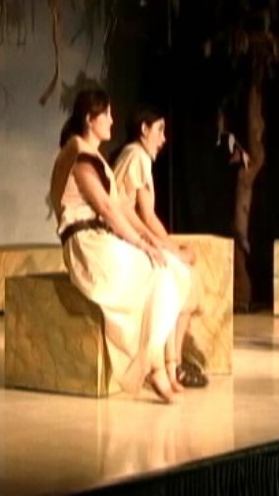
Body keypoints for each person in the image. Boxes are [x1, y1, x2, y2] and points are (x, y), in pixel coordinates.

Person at [49, 89, 193, 403]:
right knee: (156, 272)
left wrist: (151, 241)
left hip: (100, 240)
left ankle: (159, 365)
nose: (113, 121)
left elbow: (121, 208)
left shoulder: (94, 156)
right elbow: (106, 208)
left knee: (168, 271)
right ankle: (155, 368)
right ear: (90, 119)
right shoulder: (79, 155)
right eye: (107, 115)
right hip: (87, 246)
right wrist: (141, 243)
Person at [112, 106, 207, 388]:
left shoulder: (135, 156)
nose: (164, 138)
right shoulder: (136, 155)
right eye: (159, 130)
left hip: (132, 237)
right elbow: (140, 214)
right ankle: (172, 364)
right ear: (144, 129)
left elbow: (142, 214)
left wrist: (170, 245)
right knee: (184, 276)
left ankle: (172, 363)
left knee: (186, 273)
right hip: (127, 241)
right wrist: (168, 247)